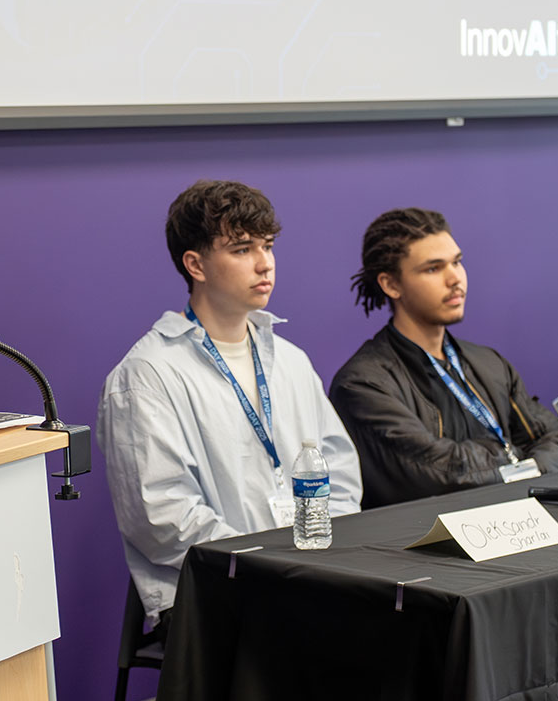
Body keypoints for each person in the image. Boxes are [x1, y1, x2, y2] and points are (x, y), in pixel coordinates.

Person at [97, 180, 361, 629]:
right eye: (241, 249)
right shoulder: (146, 376)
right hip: (216, 593)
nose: (265, 264)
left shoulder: (291, 361)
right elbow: (163, 519)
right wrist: (271, 564)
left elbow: (339, 470)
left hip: (310, 574)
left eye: (268, 245)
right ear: (195, 264)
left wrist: (319, 552)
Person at [328, 208, 558, 508]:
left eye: (457, 262)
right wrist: (514, 458)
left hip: (514, 531)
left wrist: (516, 467)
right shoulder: (363, 384)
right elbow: (440, 473)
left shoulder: (490, 363)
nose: (455, 279)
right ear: (391, 284)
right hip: (420, 547)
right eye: (433, 268)